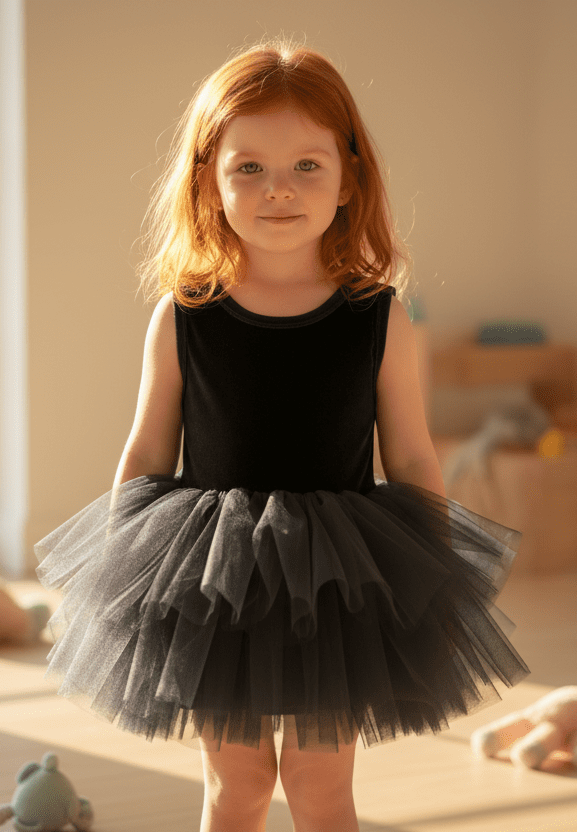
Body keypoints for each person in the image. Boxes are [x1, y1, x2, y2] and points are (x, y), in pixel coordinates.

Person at [35, 38, 529, 832]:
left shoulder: (378, 317)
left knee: (320, 785)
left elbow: (408, 454)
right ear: (209, 179)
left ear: (349, 176)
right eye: (249, 168)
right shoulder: (186, 315)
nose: (279, 191)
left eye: (307, 165)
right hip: (210, 578)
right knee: (236, 789)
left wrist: (431, 581)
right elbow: (149, 449)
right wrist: (121, 573)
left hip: (338, 582)